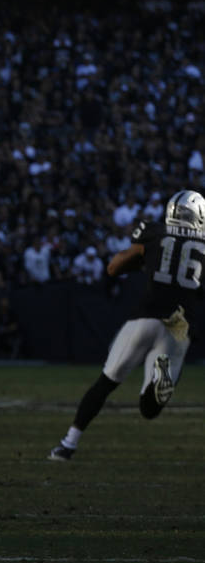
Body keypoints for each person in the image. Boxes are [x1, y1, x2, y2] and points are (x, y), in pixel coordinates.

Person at [48, 190, 205, 461]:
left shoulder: (154, 231)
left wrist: (143, 262)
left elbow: (113, 268)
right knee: (149, 410)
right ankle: (156, 382)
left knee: (106, 382)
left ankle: (68, 444)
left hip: (147, 315)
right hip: (180, 325)